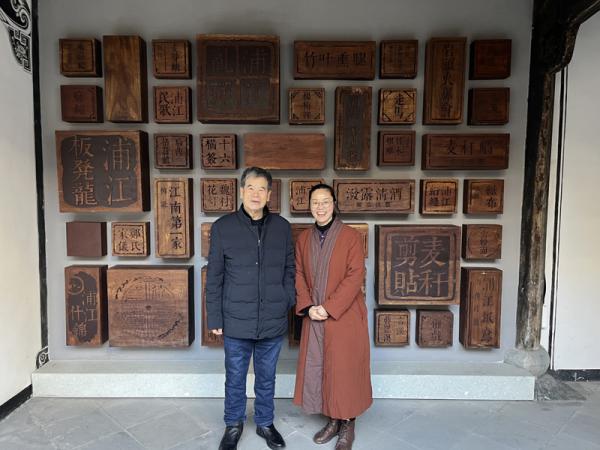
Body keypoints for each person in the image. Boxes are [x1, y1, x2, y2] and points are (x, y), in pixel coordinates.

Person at [206, 167, 295, 450]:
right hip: (235, 319)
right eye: (251, 188)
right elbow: (214, 275)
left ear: (269, 194)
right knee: (235, 377)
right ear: (242, 191)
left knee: (267, 377)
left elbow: (290, 269)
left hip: (272, 317)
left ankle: (265, 423)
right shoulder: (223, 227)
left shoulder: (282, 227)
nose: (256, 194)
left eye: (262, 189)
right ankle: (233, 424)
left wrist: (286, 299)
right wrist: (215, 316)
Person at [293, 183, 372, 450]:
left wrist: (328, 307)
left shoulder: (350, 236)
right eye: (315, 202)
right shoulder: (304, 239)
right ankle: (333, 420)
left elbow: (355, 276)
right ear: (309, 206)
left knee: (344, 370)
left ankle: (347, 423)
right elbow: (298, 274)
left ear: (334, 204)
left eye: (325, 201)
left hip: (343, 315)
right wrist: (308, 306)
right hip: (314, 314)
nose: (320, 207)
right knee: (323, 369)